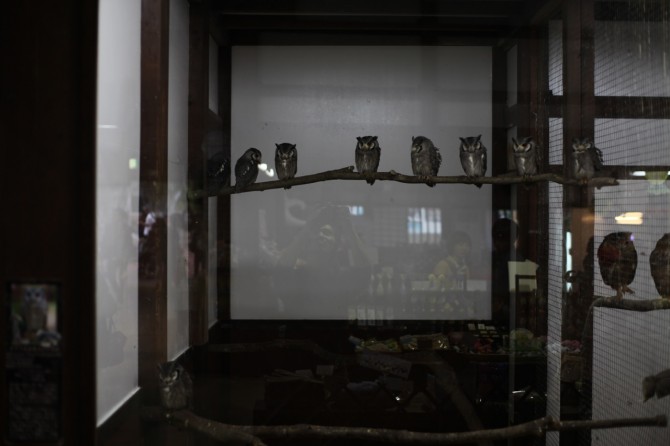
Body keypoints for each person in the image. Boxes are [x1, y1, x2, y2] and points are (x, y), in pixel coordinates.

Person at [491, 218, 525, 324]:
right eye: (496, 238)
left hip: (507, 312)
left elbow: (518, 293)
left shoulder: (515, 259)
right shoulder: (495, 257)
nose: (497, 243)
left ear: (512, 239)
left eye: (502, 239)